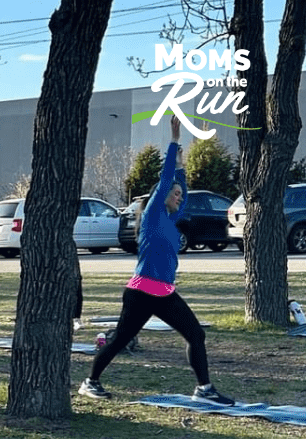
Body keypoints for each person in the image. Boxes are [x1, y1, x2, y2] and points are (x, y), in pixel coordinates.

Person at [78, 115, 234, 405]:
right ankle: (90, 382)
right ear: (161, 197)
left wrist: (182, 168)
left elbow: (180, 186)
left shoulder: (172, 220)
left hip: (164, 294)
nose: (179, 197)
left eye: (180, 195)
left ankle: (204, 389)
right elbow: (166, 180)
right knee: (121, 339)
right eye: (175, 194)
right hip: (140, 294)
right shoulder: (153, 216)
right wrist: (174, 143)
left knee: (196, 334)